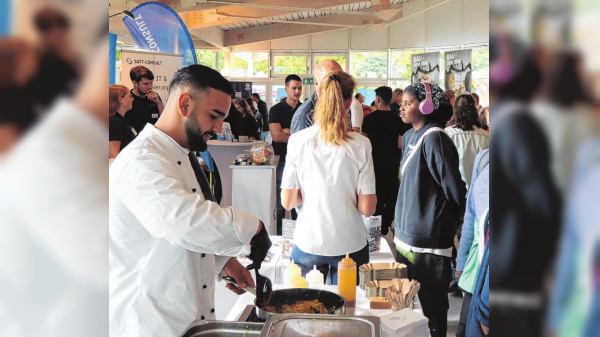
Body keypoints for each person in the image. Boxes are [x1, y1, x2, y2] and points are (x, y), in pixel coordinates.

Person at [109, 65, 272, 337]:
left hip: (187, 317)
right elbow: (181, 222)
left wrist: (223, 261)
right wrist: (252, 227)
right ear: (185, 103)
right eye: (214, 116)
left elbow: (176, 236)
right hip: (149, 324)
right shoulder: (141, 160)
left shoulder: (181, 153)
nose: (219, 128)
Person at [281, 70, 376, 283]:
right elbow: (367, 208)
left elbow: (287, 202)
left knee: (306, 310)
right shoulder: (361, 145)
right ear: (350, 101)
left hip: (308, 241)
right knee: (348, 311)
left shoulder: (297, 141)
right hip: (350, 243)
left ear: (320, 99)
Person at [394, 82, 466, 337]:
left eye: (408, 103)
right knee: (404, 305)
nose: (401, 108)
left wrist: (459, 216)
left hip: (428, 241)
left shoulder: (435, 137)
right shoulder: (412, 135)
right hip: (405, 235)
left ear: (426, 107)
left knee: (433, 306)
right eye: (401, 103)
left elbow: (453, 188)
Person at [455, 150, 489, 337]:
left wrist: (487, 310)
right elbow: (470, 215)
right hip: (475, 273)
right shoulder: (484, 158)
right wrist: (462, 258)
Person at [361, 86, 402, 236]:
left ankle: (375, 231)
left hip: (373, 165)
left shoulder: (369, 119)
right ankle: (386, 227)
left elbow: (364, 143)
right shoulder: (397, 120)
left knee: (375, 197)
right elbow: (400, 143)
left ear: (377, 99)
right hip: (392, 165)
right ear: (390, 99)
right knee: (391, 198)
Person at [25, 7, 81, 115]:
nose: (62, 38)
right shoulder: (32, 59)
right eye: (57, 34)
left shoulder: (68, 58)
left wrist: (74, 61)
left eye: (63, 34)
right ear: (43, 35)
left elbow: (84, 86)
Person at [269, 74, 303, 234]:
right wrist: (298, 135)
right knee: (281, 201)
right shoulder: (276, 110)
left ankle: (300, 236)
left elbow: (310, 137)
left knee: (301, 200)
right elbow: (277, 136)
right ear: (286, 88)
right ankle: (280, 238)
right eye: (294, 88)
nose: (297, 91)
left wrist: (287, 131)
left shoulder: (305, 110)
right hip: (281, 160)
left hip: (302, 162)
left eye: (299, 88)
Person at [445, 94, 490, 190]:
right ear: (474, 111)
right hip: (479, 191)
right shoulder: (486, 136)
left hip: (456, 191)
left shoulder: (447, 134)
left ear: (455, 111)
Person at [291, 59, 343, 134]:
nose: (335, 84)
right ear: (316, 83)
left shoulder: (343, 103)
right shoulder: (305, 115)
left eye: (339, 79)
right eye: (330, 80)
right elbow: (302, 144)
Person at [124, 65, 165, 133]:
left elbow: (165, 120)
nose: (150, 87)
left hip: (154, 139)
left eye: (151, 83)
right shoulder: (128, 99)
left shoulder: (154, 97)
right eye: (146, 84)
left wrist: (158, 103)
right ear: (135, 83)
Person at [109, 85, 136, 159]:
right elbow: (114, 156)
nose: (132, 99)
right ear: (120, 99)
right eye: (130, 96)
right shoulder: (114, 123)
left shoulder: (121, 120)